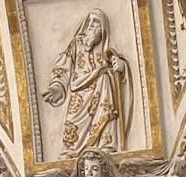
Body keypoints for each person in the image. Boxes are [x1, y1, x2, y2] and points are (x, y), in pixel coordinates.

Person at [44, 11, 133, 153]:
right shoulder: (77, 43)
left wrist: (122, 67)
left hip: (102, 94)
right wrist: (57, 87)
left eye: (96, 22)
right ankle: (70, 152)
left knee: (105, 79)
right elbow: (63, 67)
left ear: (103, 28)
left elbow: (119, 70)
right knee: (71, 134)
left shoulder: (106, 49)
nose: (91, 25)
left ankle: (105, 145)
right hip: (80, 96)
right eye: (89, 22)